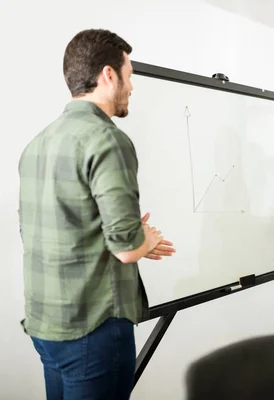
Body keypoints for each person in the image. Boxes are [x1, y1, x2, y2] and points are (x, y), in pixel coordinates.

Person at [18, 29, 175, 400]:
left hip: (46, 325)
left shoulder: (38, 142)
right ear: (109, 75)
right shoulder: (107, 139)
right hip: (93, 328)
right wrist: (143, 240)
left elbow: (57, 224)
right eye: (129, 75)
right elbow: (125, 249)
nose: (131, 87)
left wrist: (125, 234)